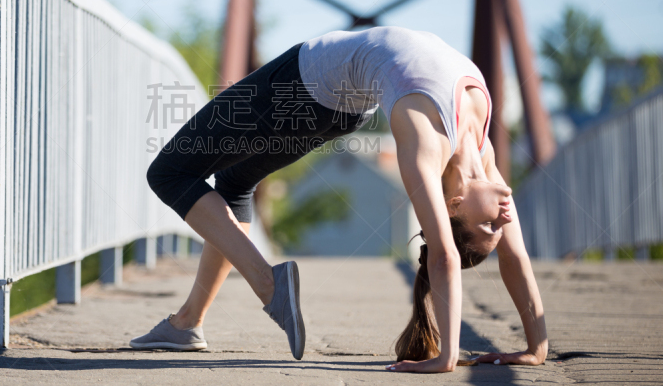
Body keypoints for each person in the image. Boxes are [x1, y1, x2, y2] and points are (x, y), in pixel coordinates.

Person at [133, 26, 548, 371]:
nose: (504, 218)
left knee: (169, 172)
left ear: (452, 206)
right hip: (341, 105)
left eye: (488, 226)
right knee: (235, 183)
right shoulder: (480, 151)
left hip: (304, 83)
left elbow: (444, 256)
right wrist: (536, 347)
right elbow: (514, 256)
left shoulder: (426, 144)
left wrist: (446, 357)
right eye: (499, 226)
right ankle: (187, 323)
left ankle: (267, 284)